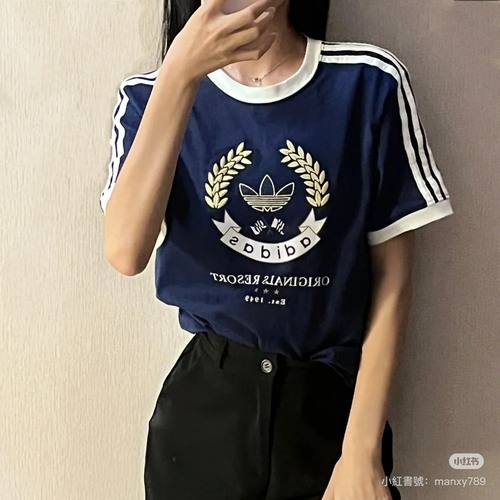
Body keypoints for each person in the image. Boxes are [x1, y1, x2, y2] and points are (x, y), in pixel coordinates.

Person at [99, 0, 454, 498]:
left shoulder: (368, 82)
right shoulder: (146, 96)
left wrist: (361, 452)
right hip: (204, 416)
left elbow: (392, 279)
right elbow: (125, 252)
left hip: (330, 411)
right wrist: (179, 73)